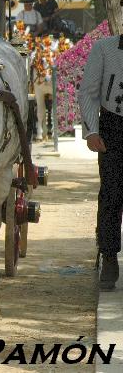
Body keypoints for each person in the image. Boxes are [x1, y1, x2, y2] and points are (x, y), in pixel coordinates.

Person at [78, 34, 123, 291]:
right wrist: (92, 130)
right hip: (113, 127)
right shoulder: (104, 49)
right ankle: (108, 256)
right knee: (111, 194)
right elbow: (88, 91)